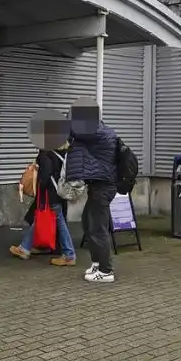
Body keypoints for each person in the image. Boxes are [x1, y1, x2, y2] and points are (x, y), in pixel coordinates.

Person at [64, 99, 119, 283]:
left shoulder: (98, 131)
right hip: (98, 186)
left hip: (103, 186)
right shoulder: (97, 131)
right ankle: (97, 263)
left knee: (98, 228)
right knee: (89, 222)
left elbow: (75, 131)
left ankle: (106, 271)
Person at [9, 142, 76, 266]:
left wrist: (39, 184)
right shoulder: (64, 151)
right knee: (40, 219)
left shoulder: (46, 153)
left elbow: (45, 175)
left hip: (51, 193)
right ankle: (25, 248)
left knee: (59, 222)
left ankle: (69, 254)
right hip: (60, 191)